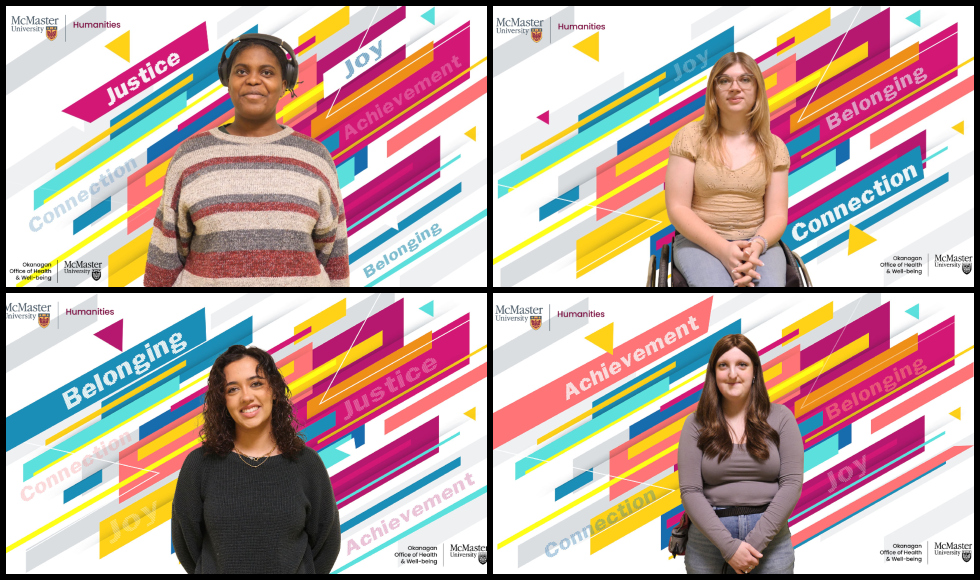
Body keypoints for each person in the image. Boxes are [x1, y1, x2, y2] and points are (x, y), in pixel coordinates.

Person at [144, 34, 350, 286]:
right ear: (227, 80)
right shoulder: (191, 155)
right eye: (241, 71)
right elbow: (166, 253)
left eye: (267, 72)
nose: (253, 80)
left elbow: (334, 254)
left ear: (285, 83)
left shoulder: (315, 156)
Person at [172, 345, 341, 573]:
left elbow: (326, 544)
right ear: (223, 401)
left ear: (273, 390)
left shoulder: (307, 464)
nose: (246, 397)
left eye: (256, 383)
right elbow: (187, 545)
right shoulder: (199, 465)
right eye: (232, 389)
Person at [678, 334, 803, 574]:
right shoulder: (695, 424)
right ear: (713, 374)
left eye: (742, 365)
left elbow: (792, 484)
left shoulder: (782, 417)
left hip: (771, 541)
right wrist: (729, 548)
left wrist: (753, 545)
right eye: (723, 365)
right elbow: (690, 491)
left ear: (755, 371)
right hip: (708, 542)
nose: (732, 374)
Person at [665, 52, 791, 287]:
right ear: (714, 91)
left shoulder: (775, 147)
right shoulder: (690, 137)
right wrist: (724, 249)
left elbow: (777, 215)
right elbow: (677, 207)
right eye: (724, 80)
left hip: (758, 243)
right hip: (699, 241)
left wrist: (756, 246)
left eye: (745, 79)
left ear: (757, 89)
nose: (735, 87)